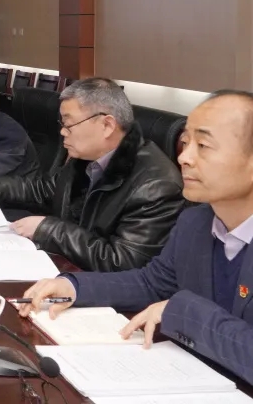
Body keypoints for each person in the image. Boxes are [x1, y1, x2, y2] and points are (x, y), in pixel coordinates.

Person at [16, 91, 253, 386]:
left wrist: (184, 311)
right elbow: (152, 283)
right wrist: (74, 286)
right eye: (185, 143)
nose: (184, 158)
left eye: (203, 145)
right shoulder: (196, 222)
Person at [0, 78, 184, 272]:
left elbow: (122, 261)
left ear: (107, 125)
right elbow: (41, 189)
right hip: (66, 271)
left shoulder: (155, 185)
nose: (62, 132)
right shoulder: (86, 158)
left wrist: (49, 229)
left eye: (69, 124)